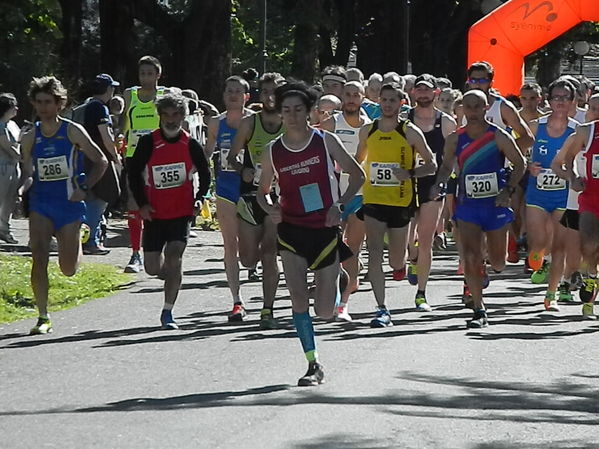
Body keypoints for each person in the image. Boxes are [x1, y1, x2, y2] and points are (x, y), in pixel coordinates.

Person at [257, 82, 365, 386]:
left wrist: (340, 206)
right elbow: (262, 193)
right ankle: (313, 364)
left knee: (325, 311)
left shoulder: (325, 142)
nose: (292, 116)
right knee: (298, 300)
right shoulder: (272, 151)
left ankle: (338, 278)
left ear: (310, 112)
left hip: (325, 228)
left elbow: (358, 175)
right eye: (286, 111)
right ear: (280, 114)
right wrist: (270, 209)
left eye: (298, 110)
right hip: (291, 230)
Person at [20, 76, 108, 334]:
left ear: (59, 104)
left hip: (69, 203)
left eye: (48, 102)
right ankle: (43, 315)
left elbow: (100, 160)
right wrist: (21, 190)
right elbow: (28, 172)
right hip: (41, 202)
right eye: (39, 102)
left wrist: (84, 188)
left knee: (68, 269)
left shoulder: (72, 131)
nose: (43, 107)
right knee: (39, 255)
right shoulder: (30, 137)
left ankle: (78, 239)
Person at [431, 90, 526, 328]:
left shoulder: (498, 136)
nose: (472, 112)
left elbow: (520, 163)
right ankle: (479, 308)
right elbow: (445, 166)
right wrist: (439, 183)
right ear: (462, 109)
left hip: (495, 206)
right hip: (468, 205)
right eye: (468, 107)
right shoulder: (455, 138)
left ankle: (485, 269)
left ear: (485, 109)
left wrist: (508, 190)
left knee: (499, 263)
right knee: (471, 256)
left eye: (477, 107)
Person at [355, 82, 437, 327]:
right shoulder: (367, 131)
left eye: (392, 100)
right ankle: (381, 308)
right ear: (378, 101)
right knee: (374, 253)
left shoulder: (409, 131)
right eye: (384, 100)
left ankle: (408, 259)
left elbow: (431, 164)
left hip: (401, 201)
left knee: (395, 262)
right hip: (373, 199)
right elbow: (358, 160)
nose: (387, 104)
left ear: (401, 104)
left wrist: (410, 173)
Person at [127, 94, 211, 329]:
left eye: (176, 115)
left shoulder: (190, 144)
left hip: (181, 212)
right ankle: (169, 273)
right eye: (166, 115)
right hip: (154, 213)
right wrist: (142, 203)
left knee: (175, 256)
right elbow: (133, 174)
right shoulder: (148, 143)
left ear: (183, 117)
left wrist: (200, 199)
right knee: (153, 268)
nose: (171, 120)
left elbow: (205, 174)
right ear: (160, 116)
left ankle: (168, 312)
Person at [227, 72, 286, 329]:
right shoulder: (250, 123)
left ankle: (267, 309)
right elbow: (232, 156)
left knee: (270, 252)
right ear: (259, 95)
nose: (270, 97)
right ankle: (253, 271)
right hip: (251, 197)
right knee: (248, 259)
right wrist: (243, 170)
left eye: (274, 91)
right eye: (265, 92)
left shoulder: (291, 122)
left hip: (279, 198)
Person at [320, 81, 372, 321]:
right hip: (333, 196)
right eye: (348, 95)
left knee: (352, 249)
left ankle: (343, 305)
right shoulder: (331, 123)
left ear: (363, 97)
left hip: (360, 195)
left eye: (356, 95)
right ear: (342, 97)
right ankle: (328, 291)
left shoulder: (370, 127)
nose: (351, 99)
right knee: (332, 247)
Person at [525, 79, 579, 311]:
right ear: (548, 100)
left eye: (565, 98)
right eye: (556, 97)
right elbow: (517, 153)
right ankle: (542, 260)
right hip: (537, 194)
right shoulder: (536, 126)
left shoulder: (577, 130)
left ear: (573, 101)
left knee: (559, 245)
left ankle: (551, 294)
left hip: (563, 195)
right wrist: (529, 166)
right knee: (538, 244)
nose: (560, 102)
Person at [406, 74, 457, 310]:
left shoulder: (446, 122)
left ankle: (421, 294)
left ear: (436, 93)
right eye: (420, 90)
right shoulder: (403, 119)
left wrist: (443, 183)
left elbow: (450, 158)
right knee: (409, 241)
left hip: (432, 184)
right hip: (405, 183)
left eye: (428, 90)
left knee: (425, 239)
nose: (424, 94)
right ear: (414, 93)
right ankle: (412, 257)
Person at [205, 76, 253, 321]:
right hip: (225, 190)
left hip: (250, 191)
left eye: (238, 91)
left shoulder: (254, 121)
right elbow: (207, 154)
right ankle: (237, 301)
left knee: (248, 253)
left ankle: (253, 269)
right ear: (224, 96)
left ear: (247, 97)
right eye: (229, 91)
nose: (233, 95)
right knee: (229, 245)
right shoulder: (216, 123)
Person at [122, 55, 168, 273]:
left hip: (158, 155)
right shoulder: (130, 95)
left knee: (159, 202)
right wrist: (118, 140)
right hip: (134, 155)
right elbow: (123, 124)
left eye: (150, 73)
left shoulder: (165, 95)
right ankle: (135, 254)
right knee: (133, 202)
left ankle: (163, 249)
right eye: (143, 73)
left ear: (158, 74)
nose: (146, 78)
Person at [553, 119, 599, 319]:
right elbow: (568, 158)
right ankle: (592, 276)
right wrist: (572, 178)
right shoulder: (587, 131)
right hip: (591, 198)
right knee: (588, 244)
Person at [81, 74, 122, 255]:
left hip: (86, 157)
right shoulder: (100, 109)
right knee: (99, 199)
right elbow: (105, 136)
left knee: (91, 197)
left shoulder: (87, 105)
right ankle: (91, 240)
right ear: (108, 89)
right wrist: (115, 156)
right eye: (111, 88)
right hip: (99, 159)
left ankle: (89, 237)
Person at [0, 93, 21, 244]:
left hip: (14, 166)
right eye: (13, 106)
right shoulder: (0, 125)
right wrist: (24, 157)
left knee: (10, 200)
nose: (16, 109)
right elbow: (7, 146)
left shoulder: (12, 125)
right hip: (3, 167)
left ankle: (4, 229)